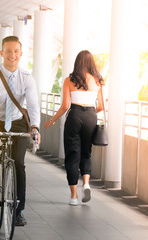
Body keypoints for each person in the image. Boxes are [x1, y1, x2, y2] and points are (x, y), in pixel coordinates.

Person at [0, 36, 41, 226]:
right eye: (8, 51)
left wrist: (35, 127)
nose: (12, 55)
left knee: (19, 164)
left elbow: (32, 105)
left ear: (21, 54)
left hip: (17, 121)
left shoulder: (27, 78)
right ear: (1, 53)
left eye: (15, 51)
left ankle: (19, 210)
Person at [44, 50, 104, 206]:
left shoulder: (69, 80)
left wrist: (52, 120)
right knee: (86, 152)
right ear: (91, 63)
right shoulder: (98, 81)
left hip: (75, 115)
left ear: (77, 63)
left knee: (72, 156)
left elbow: (65, 106)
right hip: (91, 115)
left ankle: (73, 197)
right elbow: (101, 107)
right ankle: (86, 184)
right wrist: (91, 113)